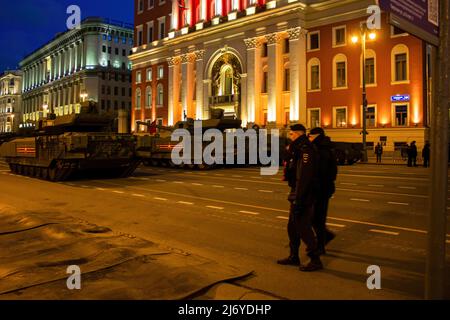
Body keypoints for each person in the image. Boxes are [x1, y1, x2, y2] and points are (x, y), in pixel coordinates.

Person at [278, 124, 323, 272]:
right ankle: (293, 256)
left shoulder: (306, 150)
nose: (290, 137)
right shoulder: (297, 149)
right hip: (296, 192)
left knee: (303, 227)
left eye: (291, 134)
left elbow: (304, 177)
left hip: (303, 194)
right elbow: (290, 166)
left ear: (298, 134)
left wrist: (299, 197)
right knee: (292, 227)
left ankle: (315, 259)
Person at [308, 127, 337, 255]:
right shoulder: (323, 147)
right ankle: (322, 240)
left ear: (317, 136)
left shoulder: (321, 149)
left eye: (310, 135)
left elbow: (323, 171)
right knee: (316, 218)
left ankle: (320, 245)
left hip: (321, 188)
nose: (309, 137)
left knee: (317, 219)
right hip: (323, 188)